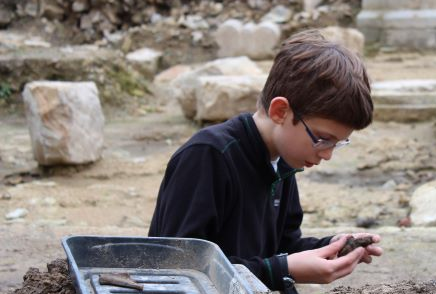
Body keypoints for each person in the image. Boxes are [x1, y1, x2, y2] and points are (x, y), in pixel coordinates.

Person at [148, 29, 383, 293]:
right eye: (322, 139)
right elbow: (178, 267)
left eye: (338, 143)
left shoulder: (283, 162)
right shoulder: (208, 157)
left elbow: (283, 248)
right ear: (280, 111)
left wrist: (331, 247)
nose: (327, 154)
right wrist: (281, 271)